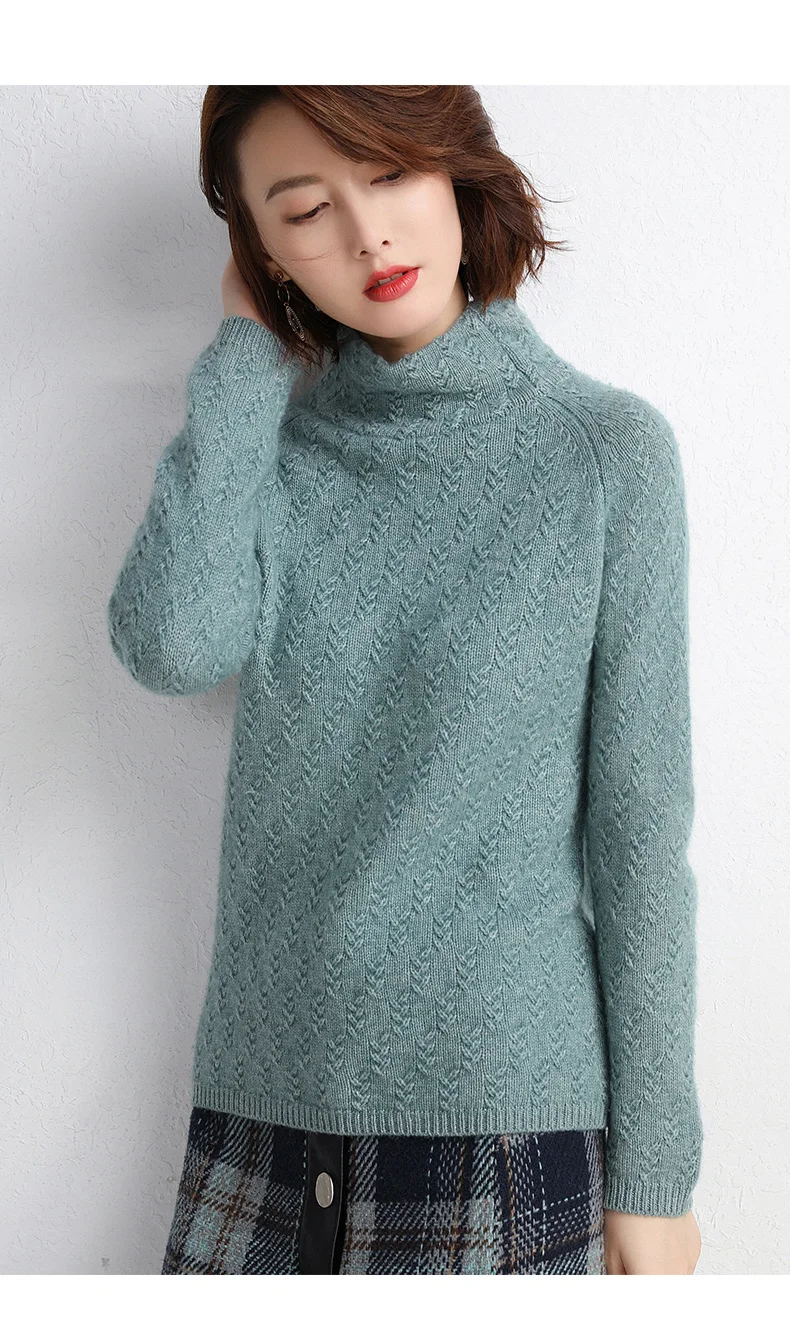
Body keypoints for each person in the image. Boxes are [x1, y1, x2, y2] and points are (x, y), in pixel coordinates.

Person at [107, 86, 704, 1275]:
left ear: (453, 170)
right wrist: (242, 360)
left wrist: (655, 1174)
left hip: (499, 1125)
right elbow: (171, 643)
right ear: (262, 253)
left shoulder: (603, 455)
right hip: (260, 1107)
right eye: (304, 211)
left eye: (387, 175)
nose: (367, 233)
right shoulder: (263, 455)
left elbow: (639, 837)